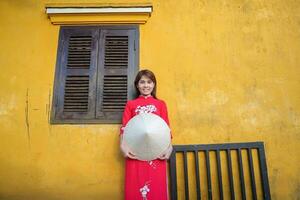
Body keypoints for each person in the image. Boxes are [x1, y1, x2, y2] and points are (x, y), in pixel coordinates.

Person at [120, 69, 173, 200]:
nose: (146, 85)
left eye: (149, 82)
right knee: (135, 189)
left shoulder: (161, 104)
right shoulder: (131, 104)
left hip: (157, 151)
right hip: (135, 151)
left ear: (154, 84)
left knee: (157, 188)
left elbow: (166, 129)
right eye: (142, 82)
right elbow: (124, 128)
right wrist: (123, 147)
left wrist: (169, 148)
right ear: (137, 85)